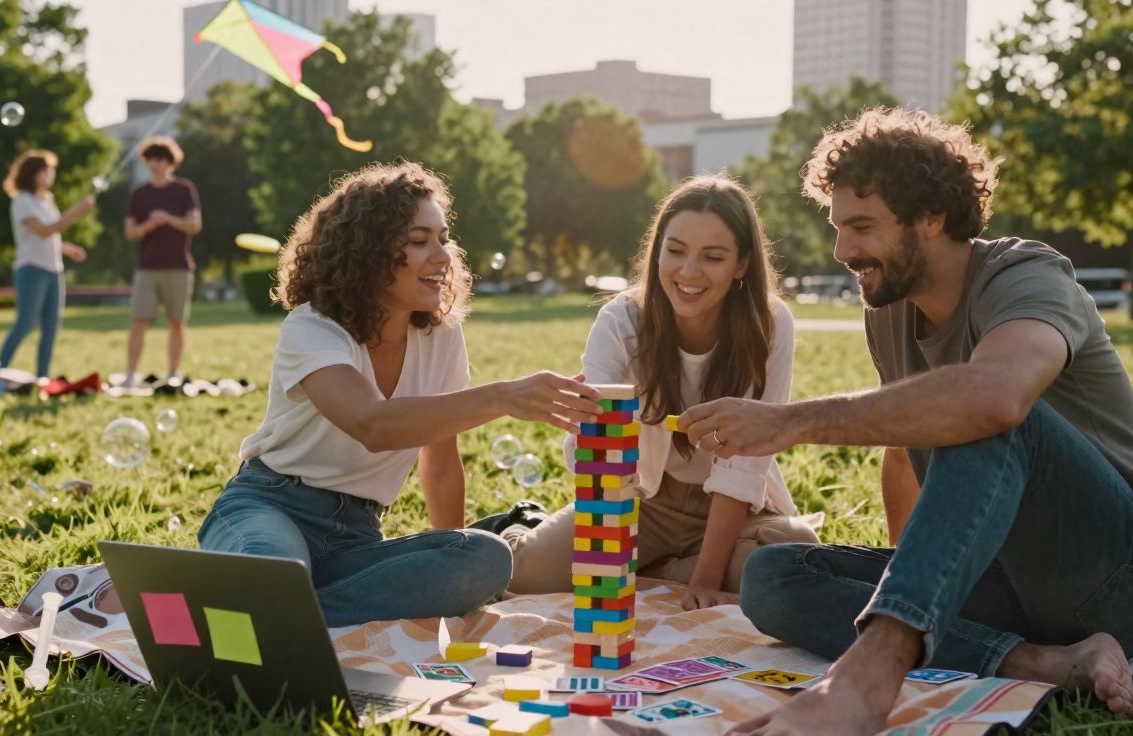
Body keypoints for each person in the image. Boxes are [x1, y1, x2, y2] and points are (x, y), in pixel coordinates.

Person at [676, 108, 1133, 735]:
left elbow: (995, 401)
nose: (844, 251)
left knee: (985, 413)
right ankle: (1037, 661)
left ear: (932, 217)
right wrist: (916, 582)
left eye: (862, 227)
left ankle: (868, 679)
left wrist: (789, 422)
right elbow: (904, 449)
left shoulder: (1025, 275)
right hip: (1001, 577)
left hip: (1122, 574)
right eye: (839, 228)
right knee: (774, 575)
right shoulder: (889, 308)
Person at [198, 161, 604, 627]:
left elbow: (441, 461)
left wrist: (453, 558)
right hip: (271, 506)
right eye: (419, 241)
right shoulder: (313, 327)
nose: (444, 256)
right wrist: (501, 398)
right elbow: (374, 424)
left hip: (357, 536)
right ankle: (278, 601)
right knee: (275, 571)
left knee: (488, 557)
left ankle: (278, 612)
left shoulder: (441, 337)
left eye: (443, 238)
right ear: (367, 252)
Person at [500, 175, 820, 611]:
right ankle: (529, 529)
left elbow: (744, 463)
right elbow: (593, 456)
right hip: (642, 499)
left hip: (735, 510)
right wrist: (596, 430)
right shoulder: (622, 320)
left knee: (795, 559)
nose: (688, 272)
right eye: (675, 251)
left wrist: (704, 580)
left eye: (713, 256)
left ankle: (666, 568)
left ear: (741, 264)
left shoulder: (769, 323)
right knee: (528, 575)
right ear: (657, 251)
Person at [0, 150, 94, 379]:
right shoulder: (22, 200)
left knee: (51, 327)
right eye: (47, 170)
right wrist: (75, 212)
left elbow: (52, 236)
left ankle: (42, 377)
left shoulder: (47, 200)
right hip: (31, 269)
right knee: (26, 323)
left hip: (54, 270)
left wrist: (68, 249)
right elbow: (42, 231)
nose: (51, 175)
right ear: (33, 174)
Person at [122, 137, 201, 388]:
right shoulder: (140, 194)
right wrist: (148, 225)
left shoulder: (184, 190)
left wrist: (168, 218)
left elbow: (195, 225)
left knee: (176, 323)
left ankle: (174, 373)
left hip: (178, 266)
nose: (156, 165)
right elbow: (130, 232)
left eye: (161, 160)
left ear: (170, 162)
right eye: (151, 160)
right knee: (138, 322)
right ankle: (131, 375)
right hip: (147, 268)